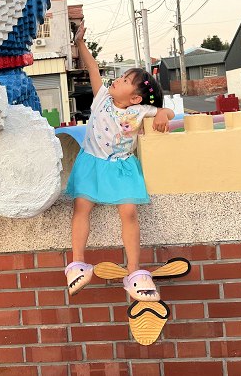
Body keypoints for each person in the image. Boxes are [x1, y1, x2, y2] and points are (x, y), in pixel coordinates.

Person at [65, 23, 174, 301]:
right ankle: (77, 264)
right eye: (121, 76)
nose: (118, 79)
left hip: (122, 167)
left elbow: (166, 109)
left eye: (125, 80)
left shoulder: (139, 111)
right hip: (91, 162)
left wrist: (163, 113)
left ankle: (134, 272)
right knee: (81, 206)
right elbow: (92, 67)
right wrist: (81, 45)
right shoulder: (102, 97)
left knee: (129, 213)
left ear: (135, 97)